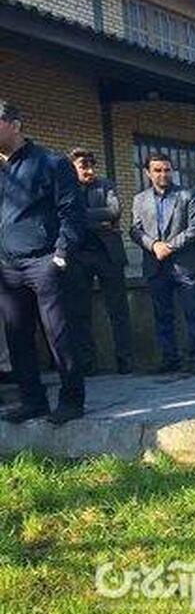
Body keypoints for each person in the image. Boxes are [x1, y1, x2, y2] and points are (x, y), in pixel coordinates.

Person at [0, 99, 86, 423]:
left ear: (15, 125)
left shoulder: (51, 163)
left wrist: (61, 255)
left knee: (59, 335)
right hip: (8, 268)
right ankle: (32, 401)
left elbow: (71, 212)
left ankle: (72, 401)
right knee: (17, 337)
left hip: (45, 262)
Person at [129, 152, 195, 374]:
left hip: (185, 265)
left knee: (193, 314)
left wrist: (169, 246)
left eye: (167, 170)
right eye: (157, 170)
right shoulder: (140, 199)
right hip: (156, 266)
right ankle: (169, 359)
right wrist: (154, 245)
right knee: (163, 316)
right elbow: (135, 230)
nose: (163, 174)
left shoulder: (186, 195)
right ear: (148, 173)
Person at [66, 148, 134, 375]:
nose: (89, 171)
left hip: (109, 255)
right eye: (83, 166)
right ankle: (88, 364)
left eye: (92, 166)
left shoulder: (106, 185)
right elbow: (66, 216)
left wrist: (82, 217)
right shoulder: (66, 188)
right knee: (80, 312)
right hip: (78, 256)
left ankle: (125, 361)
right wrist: (99, 222)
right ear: (72, 168)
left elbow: (114, 211)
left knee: (118, 310)